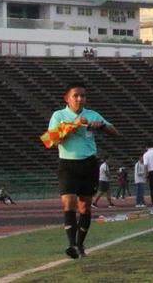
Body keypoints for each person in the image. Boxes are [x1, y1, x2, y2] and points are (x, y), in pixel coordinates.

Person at [46, 83, 118, 259]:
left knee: (84, 206)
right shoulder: (59, 115)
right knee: (68, 202)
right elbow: (50, 140)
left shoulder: (92, 114)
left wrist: (100, 126)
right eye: (76, 95)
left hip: (88, 164)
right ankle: (71, 245)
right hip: (68, 164)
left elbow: (115, 131)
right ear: (67, 98)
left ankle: (80, 244)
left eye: (83, 96)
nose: (80, 99)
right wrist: (74, 125)